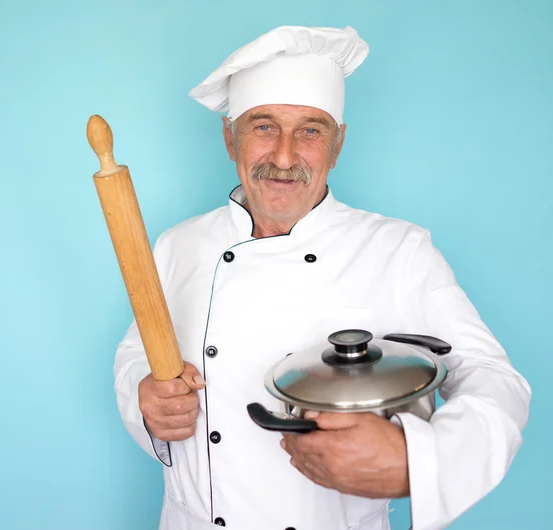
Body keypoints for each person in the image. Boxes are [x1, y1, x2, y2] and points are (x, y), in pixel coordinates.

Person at [113, 25, 531, 530]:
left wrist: (413, 460)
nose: (285, 157)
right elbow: (139, 350)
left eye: (310, 130)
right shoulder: (177, 244)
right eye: (263, 126)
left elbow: (495, 380)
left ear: (338, 145)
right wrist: (145, 396)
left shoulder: (397, 249)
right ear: (229, 138)